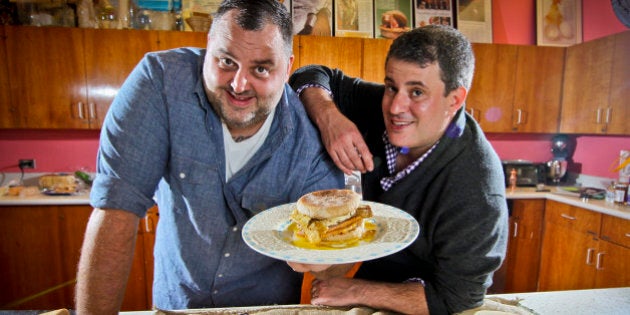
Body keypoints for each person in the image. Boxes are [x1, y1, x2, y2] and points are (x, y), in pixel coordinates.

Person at [75, 0, 344, 313]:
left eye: (261, 68)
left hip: (263, 310)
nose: (239, 85)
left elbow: (334, 260)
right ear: (208, 48)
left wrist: (322, 258)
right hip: (175, 305)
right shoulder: (159, 84)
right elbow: (115, 211)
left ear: (287, 67)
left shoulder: (310, 136)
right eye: (226, 61)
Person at [287, 25, 509, 314]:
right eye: (391, 86)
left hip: (420, 299)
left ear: (454, 100)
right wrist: (329, 116)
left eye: (417, 92)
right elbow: (310, 74)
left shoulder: (477, 187)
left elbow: (458, 298)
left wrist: (356, 290)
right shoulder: (386, 103)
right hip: (362, 272)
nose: (394, 107)